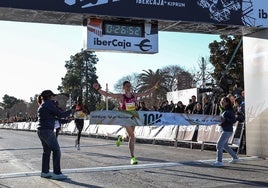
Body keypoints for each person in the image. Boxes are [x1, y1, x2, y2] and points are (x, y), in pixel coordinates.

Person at [93, 81, 159, 165]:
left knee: (129, 137)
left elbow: (146, 93)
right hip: (124, 118)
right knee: (132, 136)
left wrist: (155, 87)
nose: (128, 87)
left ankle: (121, 137)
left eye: (129, 86)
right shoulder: (121, 96)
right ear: (123, 87)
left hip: (133, 117)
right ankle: (132, 157)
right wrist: (98, 89)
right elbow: (107, 94)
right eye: (127, 86)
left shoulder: (134, 95)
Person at [37, 90, 73, 179]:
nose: (54, 98)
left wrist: (66, 120)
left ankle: (45, 172)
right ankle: (57, 173)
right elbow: (60, 114)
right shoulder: (49, 104)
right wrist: (72, 110)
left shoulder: (43, 105)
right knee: (56, 150)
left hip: (41, 130)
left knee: (47, 151)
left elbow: (54, 117)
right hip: (47, 131)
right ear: (49, 97)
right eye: (53, 96)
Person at [213, 96, 239, 167]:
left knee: (219, 144)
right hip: (224, 130)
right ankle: (235, 158)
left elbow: (234, 120)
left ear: (227, 103)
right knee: (225, 145)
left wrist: (225, 120)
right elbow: (222, 120)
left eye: (223, 101)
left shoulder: (230, 111)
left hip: (227, 130)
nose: (221, 102)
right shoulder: (223, 111)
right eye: (221, 101)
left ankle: (219, 161)